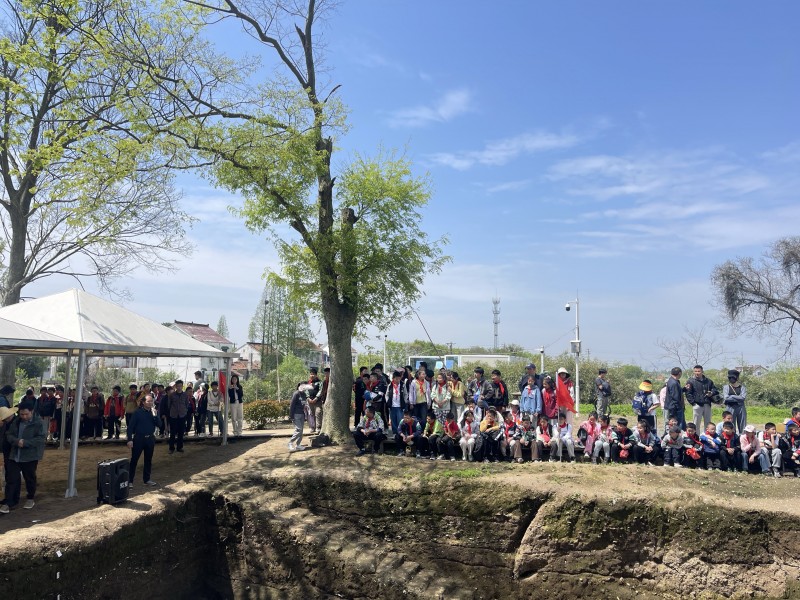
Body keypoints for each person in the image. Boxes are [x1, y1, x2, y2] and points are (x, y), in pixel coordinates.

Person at [0, 401, 45, 513]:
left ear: (31, 412)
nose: (24, 416)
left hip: (30, 456)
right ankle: (8, 502)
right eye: (22, 414)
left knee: (29, 478)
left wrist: (25, 443)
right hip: (15, 455)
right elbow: (9, 434)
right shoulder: (16, 422)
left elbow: (40, 439)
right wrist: (16, 441)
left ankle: (30, 498)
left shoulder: (39, 423)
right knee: (11, 479)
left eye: (26, 414)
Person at [126, 394, 159, 488]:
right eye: (148, 401)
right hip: (139, 439)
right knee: (134, 460)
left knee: (148, 460)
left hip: (150, 439)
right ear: (143, 402)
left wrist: (155, 416)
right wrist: (129, 439)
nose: (150, 403)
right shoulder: (137, 413)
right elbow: (130, 427)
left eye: (151, 401)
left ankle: (147, 480)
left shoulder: (154, 412)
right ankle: (129, 481)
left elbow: (159, 424)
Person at [684, 365, 719, 431]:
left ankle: (707, 436)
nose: (697, 373)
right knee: (696, 423)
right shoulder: (690, 381)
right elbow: (688, 393)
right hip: (697, 405)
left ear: (702, 371)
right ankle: (696, 436)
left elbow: (715, 390)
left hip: (707, 404)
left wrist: (711, 393)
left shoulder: (708, 381)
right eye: (695, 371)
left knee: (708, 423)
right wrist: (693, 403)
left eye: (699, 371)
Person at [722, 370, 747, 435]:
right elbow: (726, 398)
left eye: (733, 377)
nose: (731, 379)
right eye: (729, 377)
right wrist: (738, 397)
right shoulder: (726, 387)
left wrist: (732, 396)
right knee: (730, 424)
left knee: (742, 424)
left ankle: (742, 438)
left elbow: (743, 398)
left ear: (737, 378)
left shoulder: (742, 388)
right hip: (730, 407)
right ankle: (732, 438)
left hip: (741, 407)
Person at [168, 380, 189, 454]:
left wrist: (184, 411)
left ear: (182, 386)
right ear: (176, 386)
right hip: (173, 415)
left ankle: (179, 447)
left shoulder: (185, 395)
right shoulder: (172, 395)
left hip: (182, 415)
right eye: (178, 386)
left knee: (181, 432)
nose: (179, 387)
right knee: (172, 432)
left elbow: (187, 404)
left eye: (180, 386)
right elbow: (169, 405)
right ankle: (171, 448)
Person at [288, 383, 311, 452]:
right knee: (298, 429)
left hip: (302, 414)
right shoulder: (296, 394)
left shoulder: (304, 394)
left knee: (301, 431)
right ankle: (290, 442)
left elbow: (305, 405)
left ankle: (298, 445)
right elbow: (292, 405)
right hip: (296, 414)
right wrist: (291, 415)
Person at [385, 370, 407, 435]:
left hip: (400, 405)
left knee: (400, 420)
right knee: (393, 420)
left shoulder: (403, 385)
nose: (398, 380)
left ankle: (400, 433)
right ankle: (395, 433)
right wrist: (387, 401)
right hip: (392, 405)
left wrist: (404, 401)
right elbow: (387, 394)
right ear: (393, 378)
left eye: (399, 378)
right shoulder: (390, 385)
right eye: (396, 379)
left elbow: (406, 394)